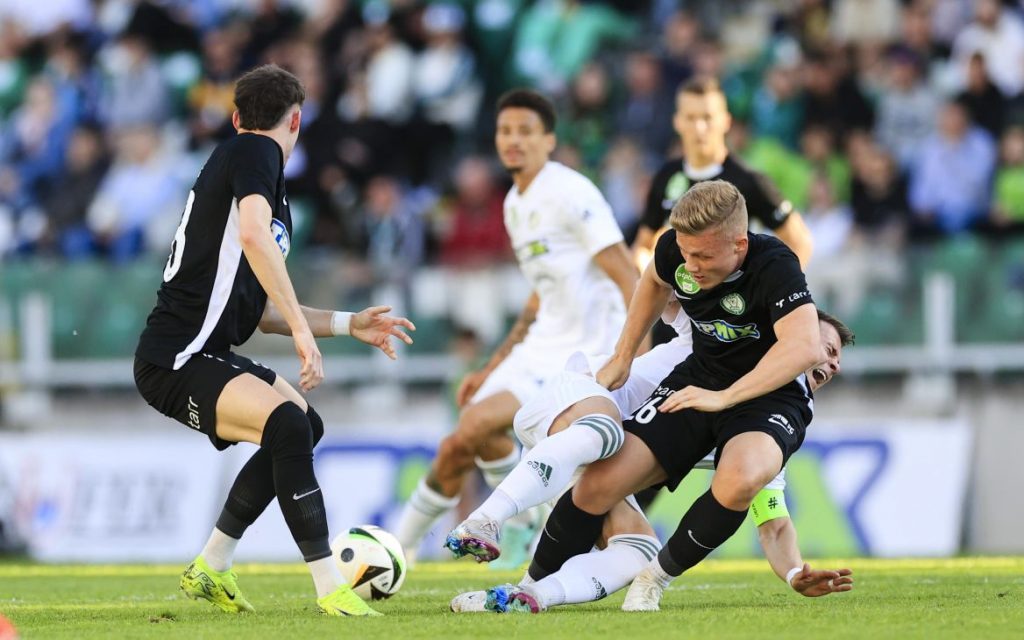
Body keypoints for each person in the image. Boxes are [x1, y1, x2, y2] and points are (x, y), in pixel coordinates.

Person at [133, 65, 414, 618]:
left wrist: (347, 324)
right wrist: (305, 335)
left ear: (236, 115)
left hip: (201, 354)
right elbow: (253, 235)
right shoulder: (256, 152)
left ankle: (212, 564)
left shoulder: (253, 172)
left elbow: (260, 312)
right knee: (287, 424)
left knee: (303, 425)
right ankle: (330, 585)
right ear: (296, 120)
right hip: (177, 358)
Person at [505, 179, 822, 612]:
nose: (691, 265)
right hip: (699, 378)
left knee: (742, 478)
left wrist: (726, 397)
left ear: (740, 245)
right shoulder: (676, 249)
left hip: (770, 396)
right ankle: (524, 588)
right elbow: (653, 280)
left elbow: (804, 346)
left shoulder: (776, 264)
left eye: (703, 256)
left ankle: (653, 579)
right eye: (686, 253)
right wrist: (623, 356)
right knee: (598, 484)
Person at [447, 309, 854, 613]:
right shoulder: (716, 340)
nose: (834, 364)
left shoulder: (762, 433)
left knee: (640, 549)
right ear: (794, 334)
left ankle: (524, 595)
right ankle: (483, 520)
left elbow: (773, 524)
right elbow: (663, 281)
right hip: (573, 403)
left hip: (587, 467)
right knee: (606, 435)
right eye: (828, 349)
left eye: (837, 361)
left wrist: (794, 573)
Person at [393, 88, 637, 565]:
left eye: (526, 131)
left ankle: (525, 523)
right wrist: (492, 367)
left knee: (487, 430)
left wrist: (632, 356)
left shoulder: (571, 192)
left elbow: (629, 276)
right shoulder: (513, 203)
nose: (513, 140)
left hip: (586, 352)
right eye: (505, 131)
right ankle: (400, 548)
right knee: (464, 437)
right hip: (541, 343)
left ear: (549, 140)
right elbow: (539, 292)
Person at [633, 76, 813, 269]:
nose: (699, 127)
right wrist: (644, 267)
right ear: (677, 122)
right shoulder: (666, 177)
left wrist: (772, 285)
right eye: (691, 118)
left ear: (726, 121)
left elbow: (800, 242)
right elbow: (643, 246)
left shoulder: (749, 181)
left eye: (707, 117)